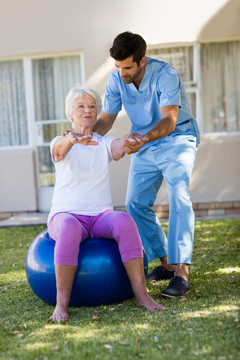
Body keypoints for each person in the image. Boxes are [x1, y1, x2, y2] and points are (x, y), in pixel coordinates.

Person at [93, 31, 200, 298]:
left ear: (142, 61)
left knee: (180, 196)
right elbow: (106, 118)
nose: (122, 72)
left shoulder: (165, 75)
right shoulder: (117, 79)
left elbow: (169, 120)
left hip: (177, 139)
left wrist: (143, 138)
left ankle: (182, 273)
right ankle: (166, 263)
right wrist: (85, 137)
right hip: (145, 142)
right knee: (135, 203)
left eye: (127, 66)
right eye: (117, 67)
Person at [47, 84, 165, 322]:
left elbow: (119, 147)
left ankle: (142, 295)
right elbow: (59, 151)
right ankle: (61, 305)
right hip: (66, 215)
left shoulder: (103, 142)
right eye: (81, 106)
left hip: (99, 216)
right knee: (69, 227)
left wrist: (130, 140)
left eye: (92, 106)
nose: (87, 110)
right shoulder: (60, 141)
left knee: (123, 219)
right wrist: (73, 140)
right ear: (70, 113)